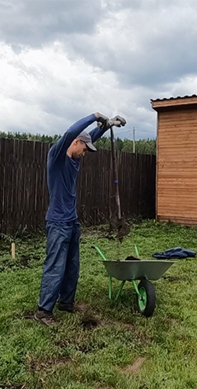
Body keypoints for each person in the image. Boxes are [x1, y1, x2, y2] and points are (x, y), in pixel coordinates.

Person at [34, 112, 126, 326]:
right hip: (57, 223)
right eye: (84, 149)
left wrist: (107, 125)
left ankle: (66, 302)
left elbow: (89, 138)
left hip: (72, 222)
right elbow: (70, 132)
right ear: (75, 143)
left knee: (72, 265)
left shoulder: (75, 156)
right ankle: (43, 311)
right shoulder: (56, 156)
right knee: (55, 266)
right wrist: (93, 116)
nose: (84, 153)